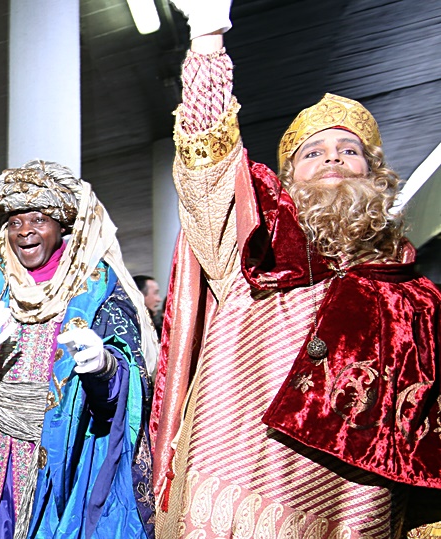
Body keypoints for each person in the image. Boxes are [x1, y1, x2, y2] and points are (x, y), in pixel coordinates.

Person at [152, 3, 441, 537]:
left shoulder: (419, 298)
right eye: (313, 153)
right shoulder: (254, 255)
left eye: (349, 151)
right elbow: (208, 172)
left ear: (375, 176)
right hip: (234, 507)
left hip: (355, 514)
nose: (332, 159)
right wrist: (208, 41)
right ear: (288, 180)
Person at [0, 148, 157, 538]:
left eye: (39, 219)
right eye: (15, 221)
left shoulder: (97, 284)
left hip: (68, 447)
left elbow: (127, 384)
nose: (25, 230)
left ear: (61, 226)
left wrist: (105, 367)